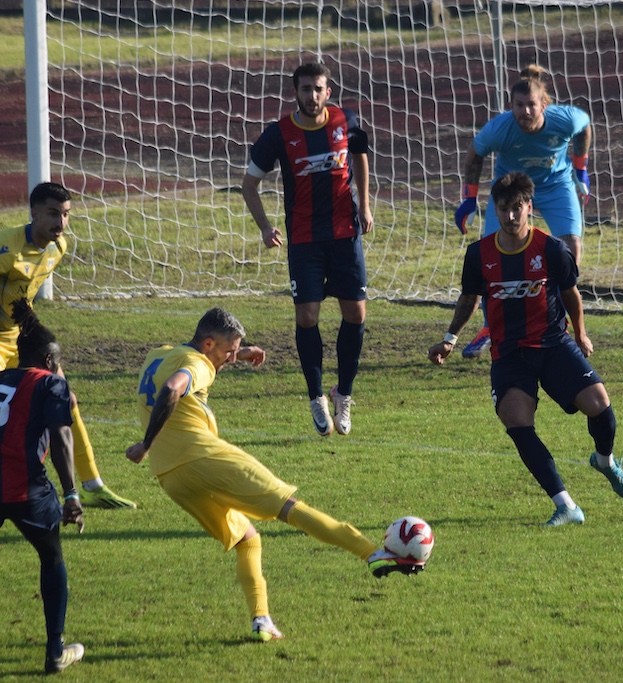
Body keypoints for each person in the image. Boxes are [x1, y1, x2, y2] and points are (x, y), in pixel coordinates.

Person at [125, 308, 417, 642]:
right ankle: (373, 553)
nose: (232, 357)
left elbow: (175, 375)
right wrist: (146, 443)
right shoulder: (198, 366)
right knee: (290, 507)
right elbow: (175, 388)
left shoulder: (159, 355)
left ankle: (261, 621)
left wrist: (238, 353)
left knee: (248, 539)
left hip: (170, 476)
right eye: (230, 351)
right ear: (208, 344)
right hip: (204, 457)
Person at [430, 172, 623, 526]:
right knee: (516, 420)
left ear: (530, 207)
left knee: (600, 406)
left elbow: (570, 294)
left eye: (517, 208)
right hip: (509, 354)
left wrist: (582, 335)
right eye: (504, 208)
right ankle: (566, 505)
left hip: (554, 344)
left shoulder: (553, 249)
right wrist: (450, 339)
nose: (510, 216)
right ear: (495, 209)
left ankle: (604, 460)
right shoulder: (479, 254)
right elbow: (469, 298)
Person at [241, 62, 374, 438]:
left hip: (345, 233)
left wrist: (364, 205)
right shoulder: (279, 134)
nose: (311, 96)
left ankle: (343, 394)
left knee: (355, 313)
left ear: (328, 91)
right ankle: (316, 397)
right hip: (304, 239)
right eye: (304, 89)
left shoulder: (346, 121)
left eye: (318, 89)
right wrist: (266, 227)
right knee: (308, 318)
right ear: (294, 93)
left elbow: (360, 157)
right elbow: (249, 184)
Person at [0, 182, 136, 509]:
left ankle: (90, 485)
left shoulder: (57, 248)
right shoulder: (7, 247)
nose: (60, 222)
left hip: (21, 338)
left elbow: (24, 297)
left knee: (66, 396)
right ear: (33, 213)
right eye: (52, 214)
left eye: (65, 214)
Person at [453, 64, 592, 359]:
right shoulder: (499, 128)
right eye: (518, 105)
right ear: (511, 105)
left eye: (531, 105)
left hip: (555, 185)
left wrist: (580, 168)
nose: (525, 112)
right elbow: (475, 155)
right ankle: (491, 327)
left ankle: (555, 317)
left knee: (572, 247)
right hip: (511, 189)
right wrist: (469, 199)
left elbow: (584, 127)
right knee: (492, 255)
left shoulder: (564, 120)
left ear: (543, 104)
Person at [0, 299, 85, 674]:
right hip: (25, 490)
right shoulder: (50, 383)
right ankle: (55, 651)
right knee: (51, 557)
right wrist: (71, 494)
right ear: (51, 362)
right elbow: (62, 438)